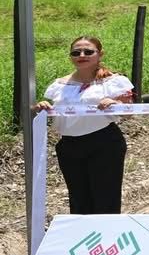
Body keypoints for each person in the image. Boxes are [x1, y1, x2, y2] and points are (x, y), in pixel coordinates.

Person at [36, 36, 134, 214]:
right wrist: (43, 107)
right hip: (69, 146)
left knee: (106, 200)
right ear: (70, 56)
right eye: (76, 52)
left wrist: (115, 104)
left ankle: (107, 240)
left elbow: (128, 113)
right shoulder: (59, 85)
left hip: (104, 144)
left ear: (100, 54)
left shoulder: (113, 81)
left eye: (88, 51)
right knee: (78, 201)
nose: (82, 55)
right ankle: (85, 240)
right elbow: (54, 112)